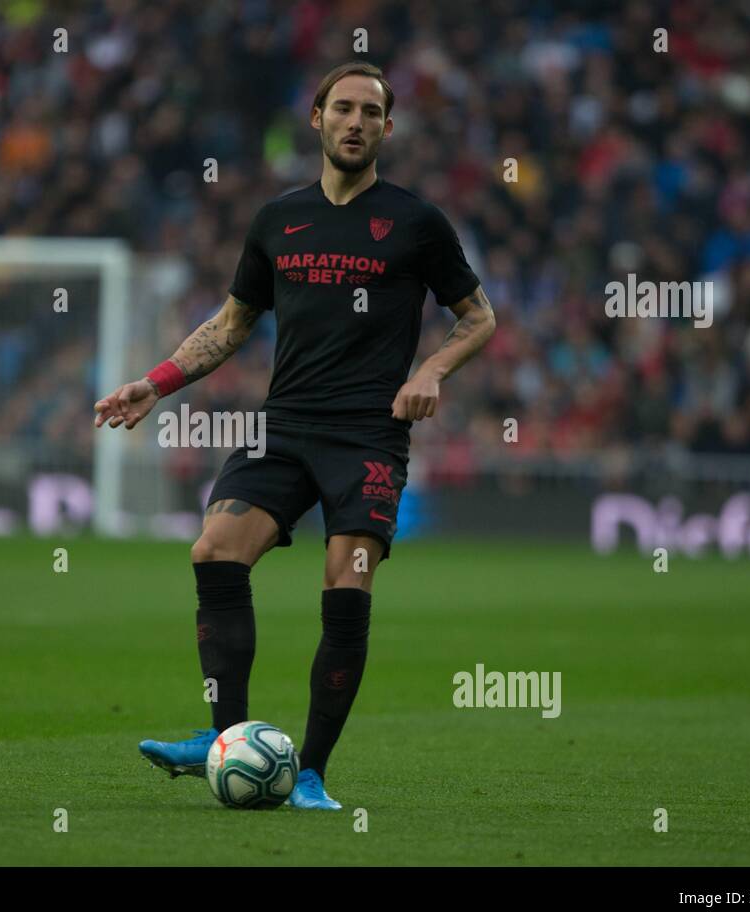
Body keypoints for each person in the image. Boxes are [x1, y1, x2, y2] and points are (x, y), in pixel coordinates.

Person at [93, 61, 496, 809]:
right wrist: (155, 382)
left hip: (369, 436)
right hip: (281, 424)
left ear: (387, 128)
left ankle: (309, 771)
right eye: (342, 108)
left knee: (347, 580)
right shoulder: (278, 219)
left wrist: (432, 370)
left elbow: (479, 316)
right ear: (316, 119)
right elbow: (230, 324)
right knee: (213, 550)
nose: (355, 122)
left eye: (370, 113)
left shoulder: (415, 222)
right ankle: (225, 739)